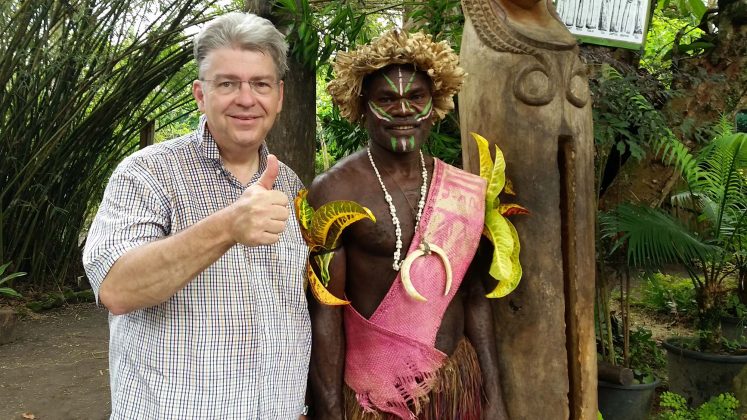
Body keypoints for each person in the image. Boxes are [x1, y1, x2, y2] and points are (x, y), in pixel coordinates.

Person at [82, 12, 311, 419]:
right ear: (200, 95)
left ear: (279, 96)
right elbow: (116, 289)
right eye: (227, 84)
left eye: (259, 84)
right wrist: (227, 226)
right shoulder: (147, 173)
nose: (246, 98)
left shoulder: (290, 184)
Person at [305, 30, 510, 419]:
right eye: (387, 99)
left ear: (435, 105)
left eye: (416, 97)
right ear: (362, 106)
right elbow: (324, 313)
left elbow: (474, 297)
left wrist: (492, 396)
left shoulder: (462, 190)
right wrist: (330, 411)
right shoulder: (334, 190)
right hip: (371, 397)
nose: (403, 110)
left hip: (455, 385)